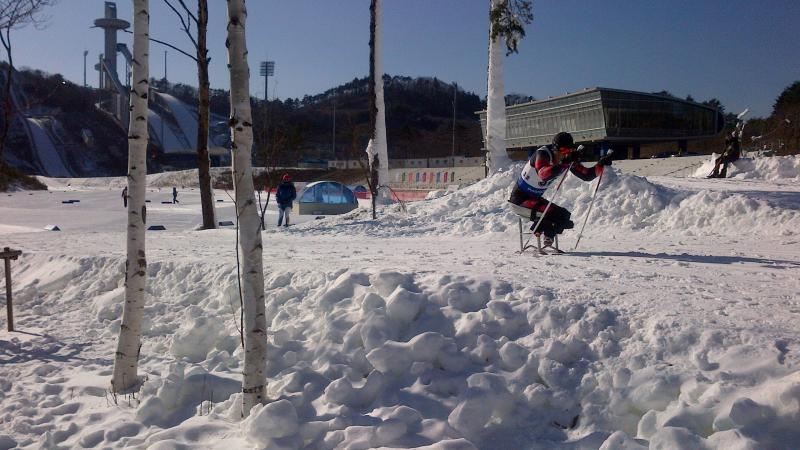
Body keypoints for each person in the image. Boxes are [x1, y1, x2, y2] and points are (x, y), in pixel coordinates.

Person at [508, 132, 613, 248]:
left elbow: (587, 175)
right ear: (555, 148)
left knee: (564, 215)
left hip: (534, 199)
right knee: (555, 214)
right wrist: (565, 162)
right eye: (563, 150)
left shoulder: (565, 158)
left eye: (568, 151)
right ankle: (539, 231)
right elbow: (543, 174)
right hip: (520, 201)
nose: (565, 154)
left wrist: (601, 164)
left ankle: (546, 236)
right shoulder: (543, 154)